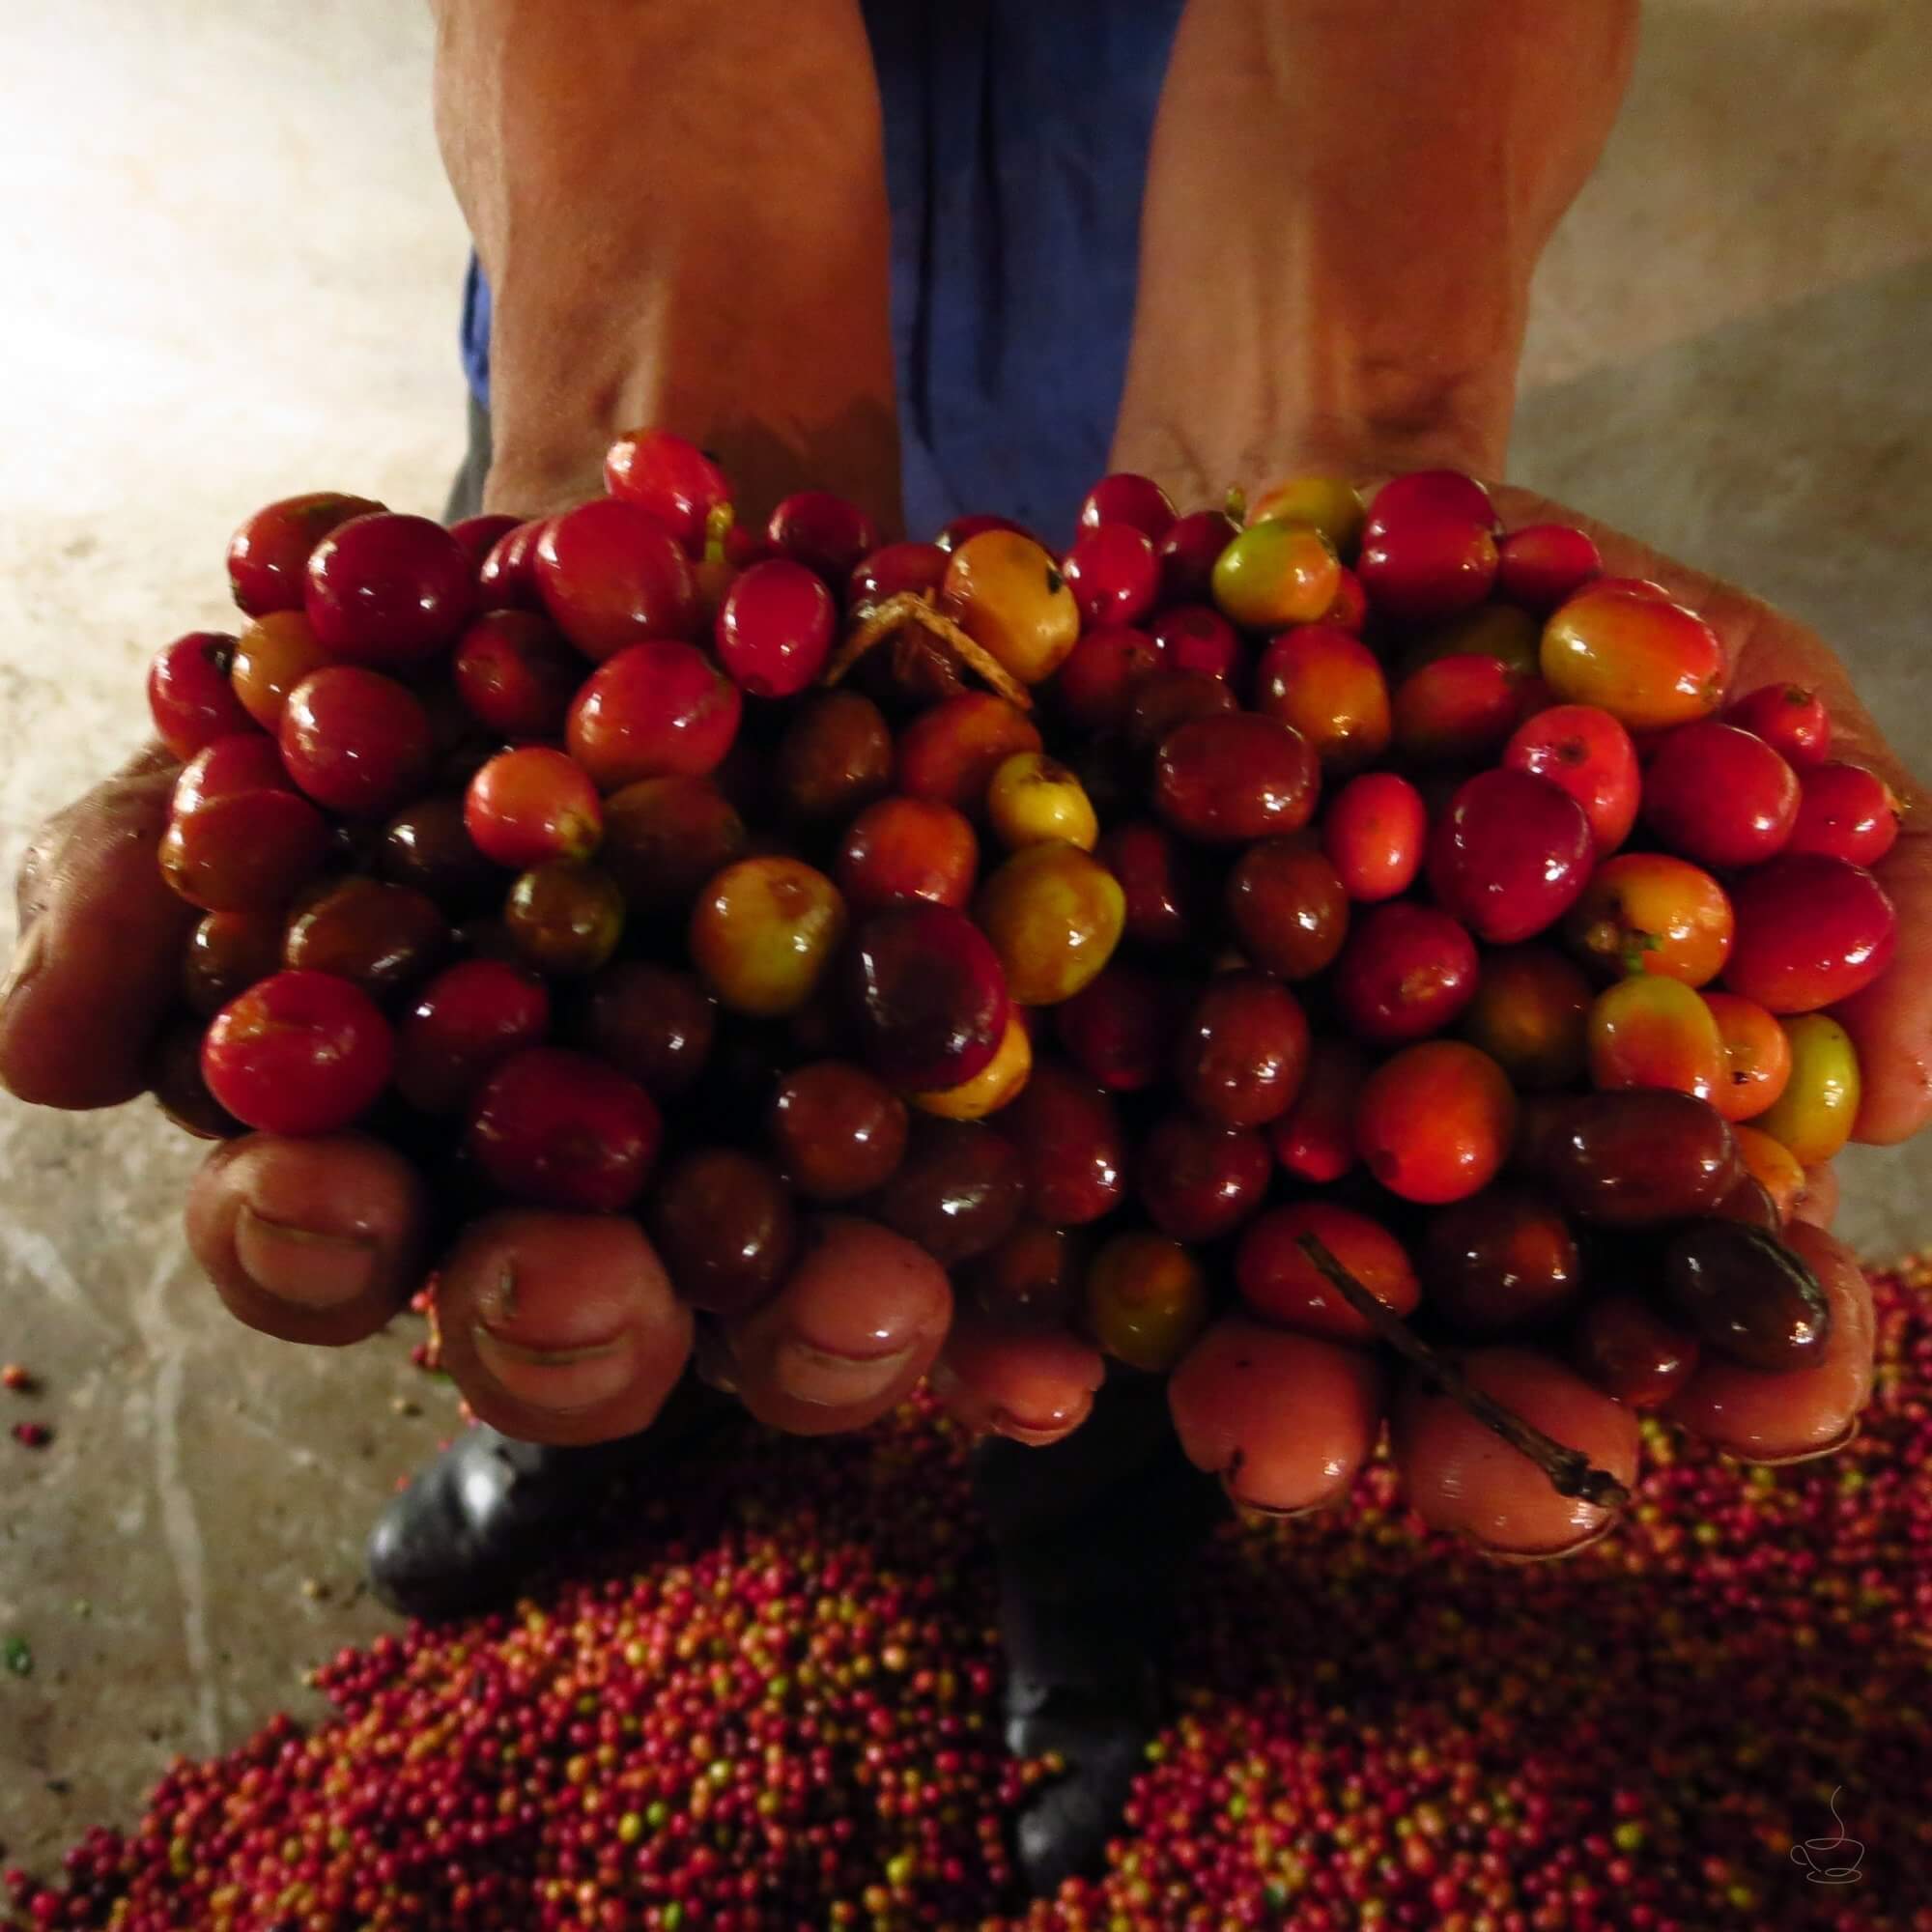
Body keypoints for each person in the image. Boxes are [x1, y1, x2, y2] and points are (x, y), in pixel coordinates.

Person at [4, 0, 1928, 1897]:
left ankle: (1087, 1564)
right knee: (663, 1162)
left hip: (1210, 198)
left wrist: (1366, 413)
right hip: (661, 260)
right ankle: (608, 1417)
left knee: (1089, 1242)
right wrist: (630, 381)